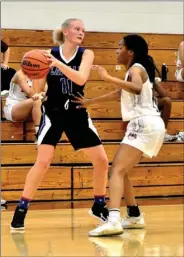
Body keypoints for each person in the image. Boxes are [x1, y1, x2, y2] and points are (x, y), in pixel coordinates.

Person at [10, 18, 108, 231]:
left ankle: (99, 204)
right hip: (53, 113)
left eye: (83, 29)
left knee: (101, 160)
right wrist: (38, 94)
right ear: (65, 31)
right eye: (77, 28)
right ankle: (21, 209)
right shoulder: (48, 55)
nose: (82, 32)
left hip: (76, 112)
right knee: (43, 161)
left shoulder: (86, 54)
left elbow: (81, 79)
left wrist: (57, 64)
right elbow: (39, 88)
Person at [73, 34, 165, 236]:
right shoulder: (134, 70)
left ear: (130, 51)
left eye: (120, 47)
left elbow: (136, 88)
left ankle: (113, 219)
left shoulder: (136, 69)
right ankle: (134, 215)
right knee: (122, 172)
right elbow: (121, 93)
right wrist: (91, 102)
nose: (116, 50)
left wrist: (106, 77)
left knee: (115, 171)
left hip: (144, 123)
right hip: (148, 124)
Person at [3, 69, 46, 136]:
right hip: (13, 108)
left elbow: (47, 91)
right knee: (36, 100)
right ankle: (39, 134)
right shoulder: (20, 74)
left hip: (29, 108)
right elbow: (30, 93)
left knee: (50, 101)